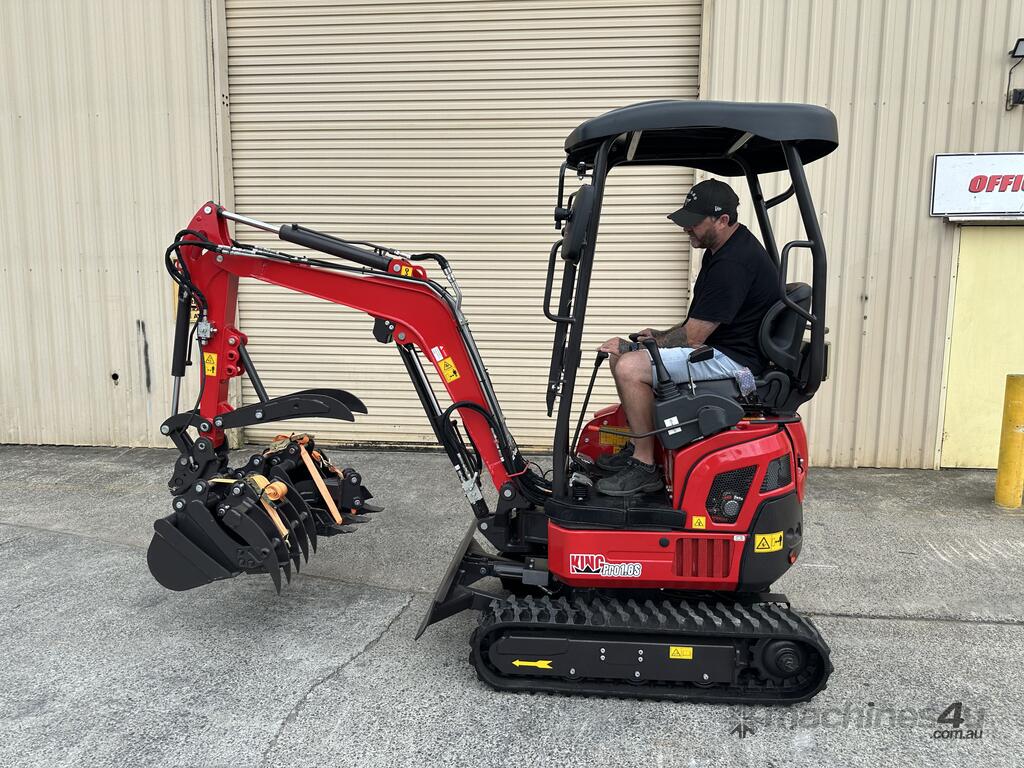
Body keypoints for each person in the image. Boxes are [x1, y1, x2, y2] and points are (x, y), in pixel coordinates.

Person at [594, 179, 782, 497]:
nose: (686, 229)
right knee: (621, 358)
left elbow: (694, 335)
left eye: (693, 222)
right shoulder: (720, 250)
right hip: (718, 347)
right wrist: (656, 336)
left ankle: (644, 467)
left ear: (722, 220)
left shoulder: (734, 263)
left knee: (629, 366)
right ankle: (642, 447)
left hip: (736, 362)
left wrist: (635, 347)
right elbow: (697, 322)